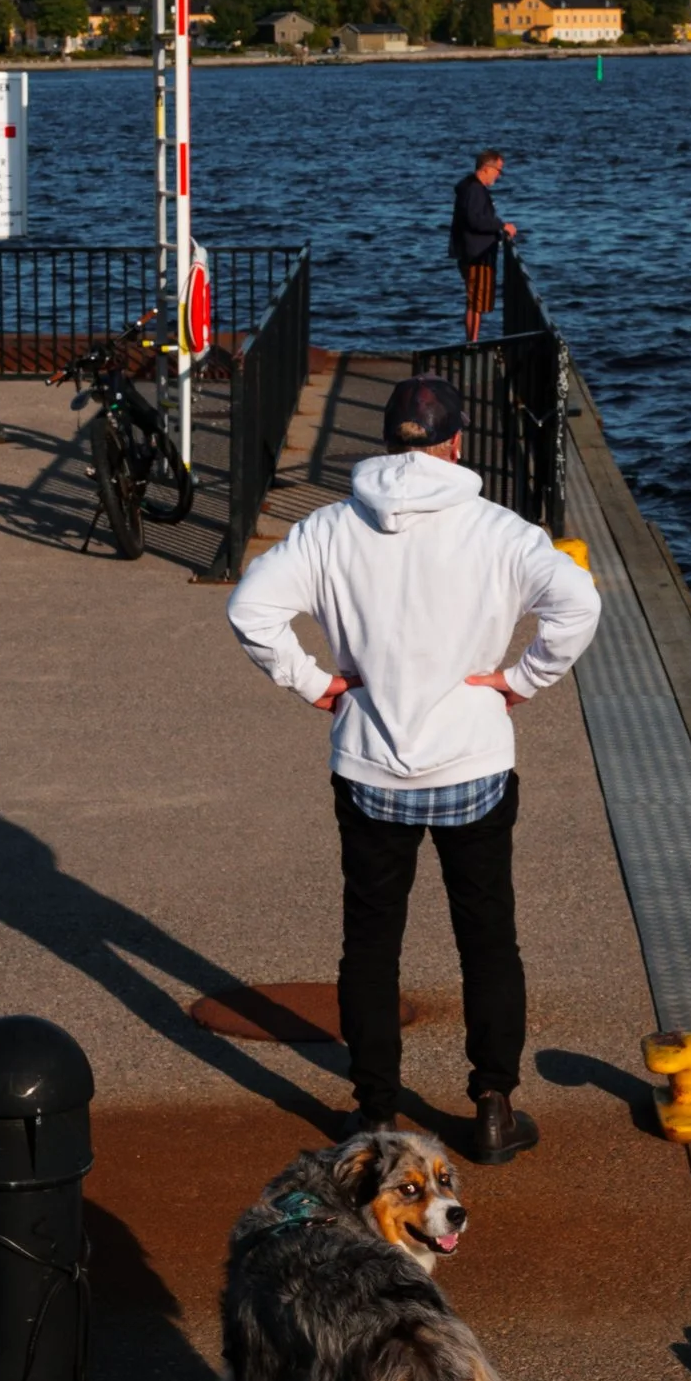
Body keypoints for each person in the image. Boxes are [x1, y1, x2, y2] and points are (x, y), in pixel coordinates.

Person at [226, 370, 599, 1164]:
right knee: (488, 937)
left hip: (369, 768)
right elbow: (579, 606)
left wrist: (319, 684)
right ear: (457, 442)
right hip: (474, 762)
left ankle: (373, 1113)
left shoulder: (330, 528)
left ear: (386, 441)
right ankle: (494, 1105)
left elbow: (250, 610)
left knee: (371, 942)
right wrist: (519, 680)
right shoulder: (500, 531)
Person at [447, 148, 515, 341]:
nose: (499, 175)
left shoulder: (469, 187)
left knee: (475, 301)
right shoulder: (475, 190)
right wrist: (501, 226)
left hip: (471, 250)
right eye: (498, 170)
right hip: (477, 253)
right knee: (476, 303)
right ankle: (472, 344)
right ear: (487, 168)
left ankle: (472, 341)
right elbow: (475, 220)